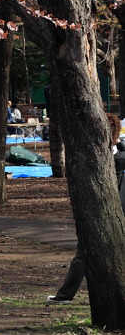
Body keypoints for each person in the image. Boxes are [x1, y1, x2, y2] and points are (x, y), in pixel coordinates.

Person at [47, 112, 125, 303]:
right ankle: (66, 294)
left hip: (99, 213)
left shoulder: (98, 157)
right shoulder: (120, 155)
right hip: (116, 212)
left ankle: (66, 295)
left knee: (83, 255)